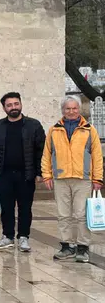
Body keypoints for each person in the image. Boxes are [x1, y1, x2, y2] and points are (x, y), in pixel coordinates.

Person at [42, 96, 103, 263]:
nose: (71, 111)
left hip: (82, 178)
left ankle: (82, 247)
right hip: (61, 178)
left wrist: (98, 178)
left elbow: (97, 156)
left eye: (74, 108)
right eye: (68, 108)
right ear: (63, 110)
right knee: (63, 214)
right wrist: (47, 175)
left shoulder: (89, 130)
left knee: (81, 214)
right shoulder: (54, 130)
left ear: (79, 109)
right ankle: (66, 246)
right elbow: (47, 154)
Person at [0, 92, 46, 253]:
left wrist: (40, 172)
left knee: (25, 207)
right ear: (4, 108)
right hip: (3, 174)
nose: (13, 107)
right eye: (9, 105)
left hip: (26, 174)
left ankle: (24, 237)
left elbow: (41, 150)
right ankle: (7, 236)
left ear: (20, 104)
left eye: (16, 104)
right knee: (6, 207)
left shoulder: (34, 125)